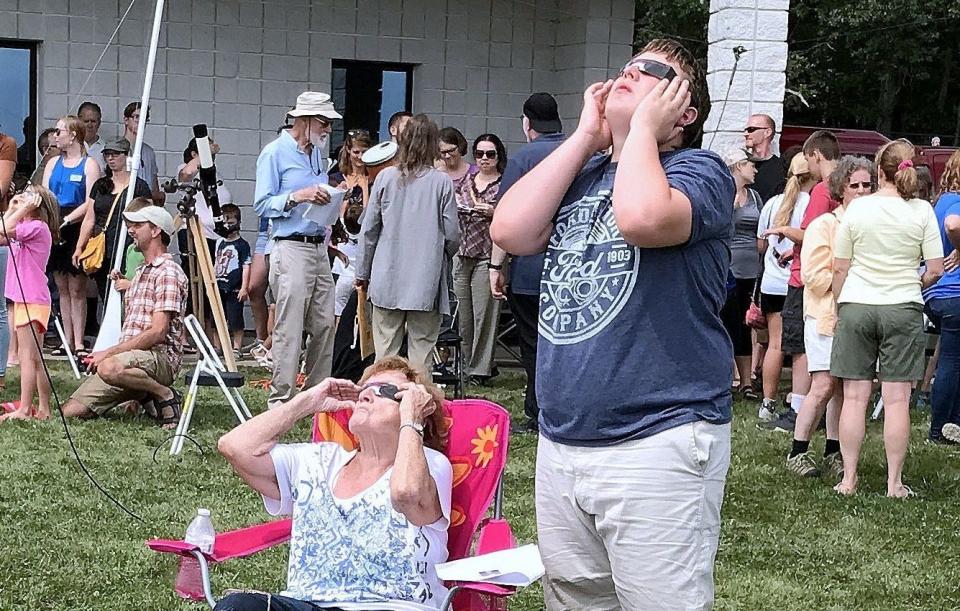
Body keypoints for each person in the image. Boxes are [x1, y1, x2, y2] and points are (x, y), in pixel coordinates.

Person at [492, 39, 734, 609]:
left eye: (651, 73)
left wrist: (643, 134)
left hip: (660, 436)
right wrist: (585, 137)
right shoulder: (583, 171)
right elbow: (511, 231)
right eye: (625, 67)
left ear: (685, 112)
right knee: (575, 600)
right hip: (564, 440)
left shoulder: (699, 170)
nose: (627, 74)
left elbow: (644, 218)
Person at [214, 356, 452, 611]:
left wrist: (412, 419)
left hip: (396, 606)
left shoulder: (430, 465)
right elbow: (234, 447)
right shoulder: (318, 460)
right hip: (309, 604)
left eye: (386, 391)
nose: (366, 396)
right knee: (237, 606)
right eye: (363, 390)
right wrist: (306, 402)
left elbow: (406, 493)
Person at [832, 139, 944, 497]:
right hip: (903, 307)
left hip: (857, 305)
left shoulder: (857, 210)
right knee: (897, 400)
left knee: (854, 398)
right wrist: (916, 279)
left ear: (880, 171)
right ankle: (894, 482)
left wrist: (839, 306)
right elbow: (936, 269)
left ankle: (848, 479)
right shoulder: (923, 211)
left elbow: (839, 267)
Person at [61, 201, 189, 428]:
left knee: (108, 366)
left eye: (138, 225)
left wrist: (107, 353)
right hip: (130, 360)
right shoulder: (140, 272)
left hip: (159, 359)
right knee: (70, 411)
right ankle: (142, 394)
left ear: (156, 230)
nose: (131, 230)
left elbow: (158, 332)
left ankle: (164, 392)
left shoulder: (168, 272)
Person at [786, 156, 874, 477]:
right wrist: (851, 272)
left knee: (843, 388)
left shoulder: (872, 226)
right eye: (855, 185)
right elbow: (816, 277)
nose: (862, 191)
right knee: (822, 385)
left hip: (859, 319)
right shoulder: (825, 225)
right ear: (841, 190)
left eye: (867, 184)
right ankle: (797, 450)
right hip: (825, 316)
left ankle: (833, 451)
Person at [254, 91, 342, 407]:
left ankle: (317, 397)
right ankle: (281, 401)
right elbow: (261, 204)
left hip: (319, 245)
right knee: (289, 326)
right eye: (323, 122)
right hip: (289, 246)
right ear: (303, 120)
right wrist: (298, 196)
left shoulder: (317, 154)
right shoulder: (274, 153)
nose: (328, 129)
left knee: (324, 324)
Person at [355, 114, 459, 371]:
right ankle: (419, 406)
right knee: (422, 354)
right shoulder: (441, 182)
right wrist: (440, 254)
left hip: (386, 278)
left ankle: (383, 402)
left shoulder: (385, 178)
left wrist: (362, 272)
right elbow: (453, 234)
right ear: (433, 145)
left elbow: (368, 230)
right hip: (426, 282)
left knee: (385, 354)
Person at [489, 92, 565, 433]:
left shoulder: (524, 159)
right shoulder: (580, 152)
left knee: (533, 344)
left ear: (527, 123)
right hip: (572, 269)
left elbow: (507, 219)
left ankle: (537, 412)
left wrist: (496, 266)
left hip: (531, 271)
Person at [760, 130, 841, 432]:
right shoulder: (844, 187)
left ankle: (798, 409)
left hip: (805, 278)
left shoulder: (822, 189)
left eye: (810, 159)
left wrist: (782, 231)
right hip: (828, 274)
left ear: (817, 156)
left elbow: (811, 233)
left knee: (800, 348)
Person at [755, 154, 813, 418]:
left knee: (774, 344)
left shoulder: (772, 203)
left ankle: (767, 403)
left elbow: (760, 245)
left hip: (771, 282)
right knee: (801, 346)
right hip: (797, 282)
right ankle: (799, 403)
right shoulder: (812, 203)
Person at [42, 114, 102, 359]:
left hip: (76, 222)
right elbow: (45, 194)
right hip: (55, 221)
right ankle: (66, 339)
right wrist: (52, 220)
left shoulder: (89, 165)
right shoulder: (52, 164)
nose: (56, 136)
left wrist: (67, 220)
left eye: (60, 131)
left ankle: (78, 341)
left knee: (77, 286)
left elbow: (91, 201)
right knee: (61, 284)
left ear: (73, 135)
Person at [0, 185, 59, 421]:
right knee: (35, 358)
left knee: (27, 357)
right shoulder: (25, 228)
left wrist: (22, 207)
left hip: (31, 298)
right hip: (27, 298)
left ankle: (25, 408)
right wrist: (14, 207)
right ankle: (44, 408)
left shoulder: (36, 227)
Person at [454, 134, 506, 382]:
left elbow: (511, 217)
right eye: (479, 154)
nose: (484, 158)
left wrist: (493, 212)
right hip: (462, 252)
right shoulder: (466, 181)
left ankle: (480, 369)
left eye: (490, 154)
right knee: (464, 315)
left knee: (484, 315)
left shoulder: (505, 184)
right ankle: (466, 365)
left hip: (488, 254)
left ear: (498, 157)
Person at [74, 138, 152, 301]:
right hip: (104, 248)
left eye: (115, 154)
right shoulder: (100, 185)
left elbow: (150, 218)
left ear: (125, 155)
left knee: (128, 294)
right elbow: (89, 219)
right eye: (108, 154)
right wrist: (79, 247)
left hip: (129, 247)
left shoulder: (139, 186)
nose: (111, 158)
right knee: (105, 293)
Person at [922, 149, 960, 444]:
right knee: (951, 360)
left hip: (936, 293)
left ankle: (952, 425)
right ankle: (940, 428)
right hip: (954, 293)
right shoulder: (957, 203)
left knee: (953, 358)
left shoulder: (942, 200)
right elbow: (953, 226)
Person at [720, 148, 762, 397]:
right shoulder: (723, 194)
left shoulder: (755, 196)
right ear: (737, 166)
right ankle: (727, 379)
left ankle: (746, 382)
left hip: (750, 269)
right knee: (728, 323)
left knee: (746, 325)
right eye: (750, 164)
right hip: (728, 269)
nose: (755, 169)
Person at [213, 204, 252, 354]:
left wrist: (244, 287)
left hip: (234, 288)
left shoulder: (242, 245)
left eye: (231, 223)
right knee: (217, 318)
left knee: (235, 319)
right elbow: (216, 262)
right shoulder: (219, 242)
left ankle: (237, 347)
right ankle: (219, 347)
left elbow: (246, 266)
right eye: (224, 223)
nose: (227, 226)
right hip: (219, 285)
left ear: (238, 223)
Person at [121, 102, 164, 205]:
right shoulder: (118, 150)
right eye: (136, 117)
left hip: (147, 205)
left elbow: (154, 183)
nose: (140, 122)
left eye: (144, 118)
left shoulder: (149, 152)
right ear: (126, 120)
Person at [744, 113, 786, 202]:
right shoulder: (741, 164)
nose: (746, 134)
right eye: (746, 130)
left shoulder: (782, 168)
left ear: (767, 132)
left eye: (751, 129)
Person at [78, 102, 105, 171]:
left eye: (93, 121)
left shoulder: (105, 148)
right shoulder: (72, 145)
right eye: (86, 121)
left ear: (99, 123)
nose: (90, 125)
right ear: (78, 122)